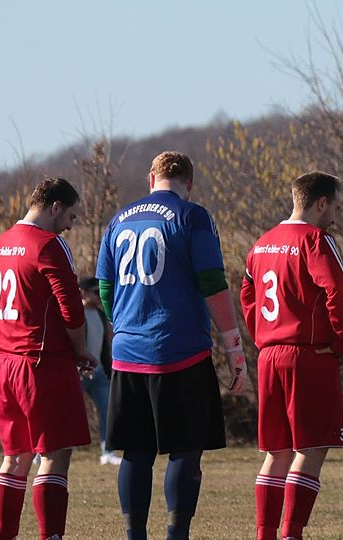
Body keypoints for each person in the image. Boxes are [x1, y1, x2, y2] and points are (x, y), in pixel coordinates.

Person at [96, 151, 247, 540]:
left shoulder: (118, 219)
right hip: (179, 351)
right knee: (185, 448)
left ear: (151, 179)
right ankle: (176, 534)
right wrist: (234, 348)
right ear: (189, 183)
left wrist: (123, 326)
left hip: (128, 353)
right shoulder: (193, 216)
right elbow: (213, 283)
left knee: (136, 452)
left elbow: (105, 287)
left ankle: (135, 535)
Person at [0, 178, 98, 540]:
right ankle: (51, 535)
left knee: (15, 457)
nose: (70, 226)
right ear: (55, 207)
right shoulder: (49, 244)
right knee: (54, 454)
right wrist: (81, 350)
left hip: (5, 363)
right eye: (71, 216)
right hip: (41, 363)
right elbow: (71, 307)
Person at [240, 172, 343, 540]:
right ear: (321, 203)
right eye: (335, 207)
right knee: (311, 448)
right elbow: (338, 289)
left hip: (269, 355)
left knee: (277, 451)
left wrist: (262, 335)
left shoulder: (262, 243)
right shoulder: (316, 240)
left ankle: (265, 533)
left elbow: (247, 293)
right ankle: (292, 533)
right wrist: (341, 343)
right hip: (307, 355)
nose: (335, 215)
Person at [78, 276, 121, 466]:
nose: (99, 296)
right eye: (95, 292)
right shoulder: (74, 313)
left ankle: (108, 451)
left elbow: (105, 345)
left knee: (107, 410)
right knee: (64, 414)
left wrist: (109, 368)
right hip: (78, 373)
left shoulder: (101, 315)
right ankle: (43, 453)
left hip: (99, 373)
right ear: (83, 293)